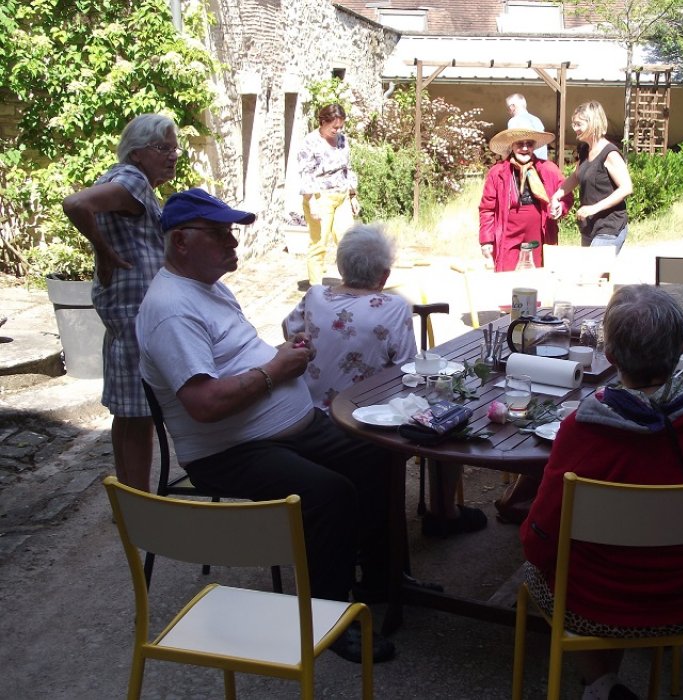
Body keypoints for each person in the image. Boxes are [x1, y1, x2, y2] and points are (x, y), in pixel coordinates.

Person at [135, 188, 394, 663]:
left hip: (285, 428)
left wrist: (281, 357)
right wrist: (276, 370)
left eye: (231, 232)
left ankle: (381, 579)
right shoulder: (171, 309)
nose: (232, 243)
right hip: (227, 451)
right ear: (179, 241)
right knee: (329, 494)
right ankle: (330, 618)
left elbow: (237, 357)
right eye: (218, 234)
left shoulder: (209, 286)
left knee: (380, 447)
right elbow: (204, 404)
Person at [520, 285, 683, 700]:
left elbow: (540, 537)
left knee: (532, 570)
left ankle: (601, 685)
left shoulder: (582, 432)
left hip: (596, 604)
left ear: (608, 355)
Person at [282, 223, 487, 536]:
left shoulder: (315, 295)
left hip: (308, 414)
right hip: (362, 420)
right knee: (449, 411)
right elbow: (408, 371)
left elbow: (289, 330)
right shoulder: (392, 307)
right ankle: (443, 513)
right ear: (384, 275)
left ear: (340, 266)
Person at [62, 113, 181, 492]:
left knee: (132, 413)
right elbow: (76, 204)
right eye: (163, 147)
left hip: (130, 308)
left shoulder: (132, 182)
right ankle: (137, 501)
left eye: (174, 147)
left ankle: (132, 497)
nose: (173, 155)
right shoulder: (130, 181)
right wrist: (103, 251)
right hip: (133, 312)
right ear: (138, 152)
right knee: (138, 413)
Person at [479, 128, 572, 272]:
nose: (524, 148)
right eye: (519, 144)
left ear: (533, 147)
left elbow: (565, 194)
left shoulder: (548, 169)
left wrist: (560, 206)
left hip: (540, 231)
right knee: (507, 274)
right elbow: (487, 209)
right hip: (508, 231)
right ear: (512, 146)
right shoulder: (497, 172)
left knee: (540, 273)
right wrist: (486, 240)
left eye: (529, 144)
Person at [549, 101, 633, 253]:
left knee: (590, 273)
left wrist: (594, 208)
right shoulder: (584, 150)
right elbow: (576, 176)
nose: (574, 128)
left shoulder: (610, 153)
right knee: (599, 276)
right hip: (589, 226)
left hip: (609, 227)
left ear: (593, 123)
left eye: (578, 124)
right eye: (573, 124)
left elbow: (626, 188)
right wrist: (557, 196)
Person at [297, 103, 359, 285]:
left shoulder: (342, 140)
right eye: (334, 127)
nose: (338, 130)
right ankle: (316, 290)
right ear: (323, 122)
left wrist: (353, 195)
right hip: (320, 198)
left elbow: (347, 169)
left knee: (348, 242)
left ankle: (351, 284)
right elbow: (305, 173)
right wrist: (311, 203)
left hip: (341, 197)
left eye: (341, 126)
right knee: (319, 244)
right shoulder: (310, 142)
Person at [505, 93, 548, 160]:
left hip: (526, 162)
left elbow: (511, 147)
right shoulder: (537, 120)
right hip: (541, 162)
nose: (508, 112)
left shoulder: (514, 121)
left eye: (508, 109)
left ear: (512, 107)